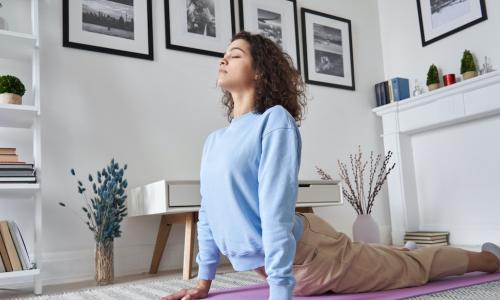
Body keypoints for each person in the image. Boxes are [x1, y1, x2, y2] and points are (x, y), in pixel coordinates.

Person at [161, 31, 500, 300]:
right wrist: (203, 283)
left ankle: (487, 260)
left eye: (236, 54)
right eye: (225, 54)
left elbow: (275, 210)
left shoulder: (274, 122)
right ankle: (394, 251)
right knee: (382, 260)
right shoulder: (214, 142)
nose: (224, 59)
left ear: (260, 71)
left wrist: (280, 292)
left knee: (411, 267)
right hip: (294, 261)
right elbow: (208, 213)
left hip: (315, 256)